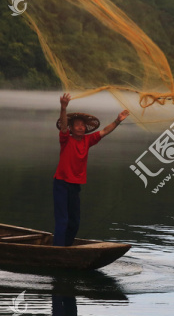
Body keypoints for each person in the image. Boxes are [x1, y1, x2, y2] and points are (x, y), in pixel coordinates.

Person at [53, 93, 129, 247]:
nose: (81, 127)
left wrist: (117, 120)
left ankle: (66, 247)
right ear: (72, 128)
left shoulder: (88, 140)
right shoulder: (66, 139)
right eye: (77, 125)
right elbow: (63, 126)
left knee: (74, 222)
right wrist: (63, 108)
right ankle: (58, 249)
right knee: (63, 220)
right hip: (61, 183)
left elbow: (105, 131)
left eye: (83, 125)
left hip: (75, 185)